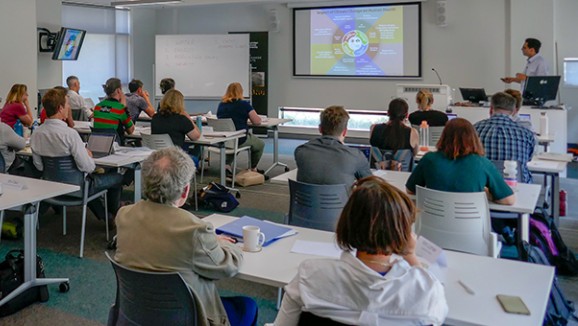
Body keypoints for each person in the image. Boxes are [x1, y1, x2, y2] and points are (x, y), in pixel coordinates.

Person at [274, 176, 448, 325]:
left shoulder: (309, 275)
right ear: (402, 233)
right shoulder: (427, 291)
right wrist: (410, 255)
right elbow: (437, 318)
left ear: (346, 223)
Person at [114, 147, 258, 326]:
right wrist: (226, 245)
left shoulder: (124, 215)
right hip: (189, 319)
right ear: (185, 190)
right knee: (247, 306)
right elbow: (228, 267)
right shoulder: (194, 230)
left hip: (136, 315)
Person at [30, 88, 125, 222]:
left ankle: (106, 216)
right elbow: (88, 167)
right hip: (78, 188)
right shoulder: (70, 134)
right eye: (67, 105)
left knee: (86, 181)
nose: (69, 107)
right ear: (60, 108)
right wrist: (89, 156)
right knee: (117, 177)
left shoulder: (37, 134)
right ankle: (113, 218)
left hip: (51, 187)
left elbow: (39, 166)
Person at [406, 118, 515, 205]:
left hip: (431, 229)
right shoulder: (482, 163)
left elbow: (410, 190)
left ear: (443, 136)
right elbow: (508, 200)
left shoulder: (429, 159)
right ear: (473, 138)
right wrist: (487, 193)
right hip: (470, 230)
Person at [294, 105, 371, 187]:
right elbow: (370, 185)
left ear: (320, 129)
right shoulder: (355, 156)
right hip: (342, 200)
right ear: (345, 132)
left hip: (306, 199)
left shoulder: (301, 151)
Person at [474, 92, 535, 183]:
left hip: (481, 186)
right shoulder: (526, 134)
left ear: (491, 109)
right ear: (514, 111)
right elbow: (528, 158)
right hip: (516, 187)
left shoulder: (474, 130)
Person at [217, 82, 265, 174]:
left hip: (224, 139)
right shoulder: (244, 104)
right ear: (241, 92)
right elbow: (257, 121)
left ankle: (226, 165)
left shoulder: (221, 105)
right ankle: (253, 168)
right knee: (260, 144)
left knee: (233, 143)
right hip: (239, 138)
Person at [93, 78, 135, 143]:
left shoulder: (97, 106)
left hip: (97, 144)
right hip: (114, 146)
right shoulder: (120, 108)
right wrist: (124, 106)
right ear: (118, 90)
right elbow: (130, 130)